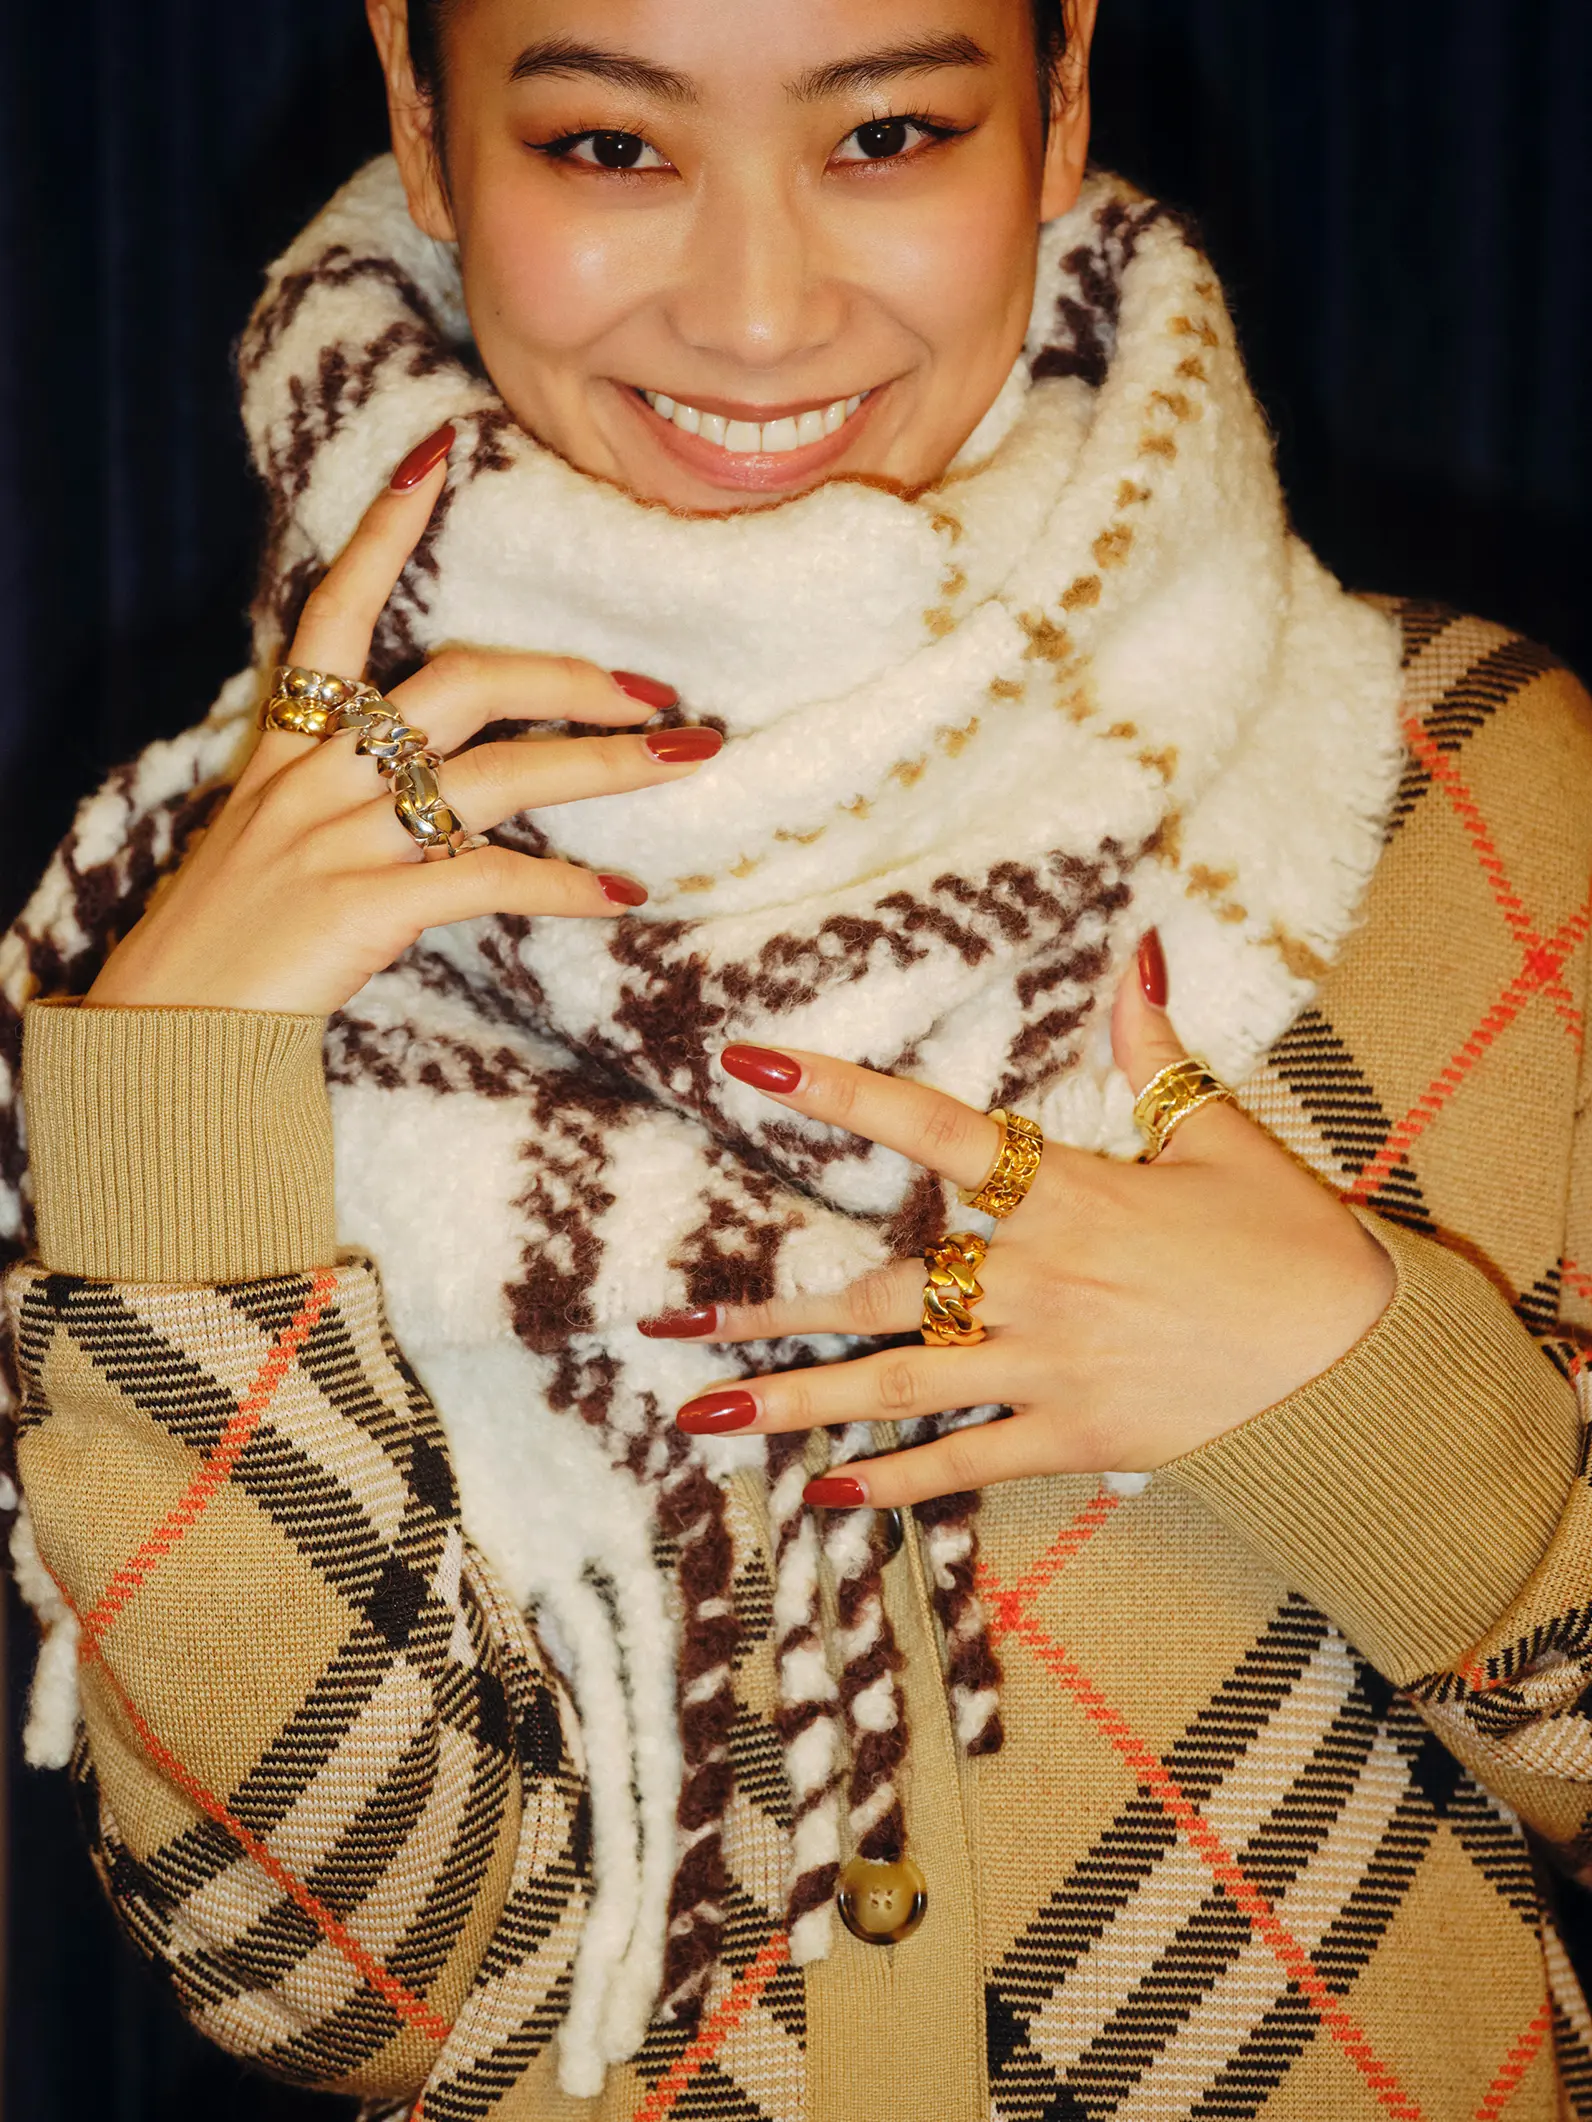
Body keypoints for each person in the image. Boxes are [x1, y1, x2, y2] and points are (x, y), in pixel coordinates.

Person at [3, 0, 1590, 2115]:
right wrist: (182, 1105)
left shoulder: (1462, 792)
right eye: (608, 147)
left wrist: (1359, 1392)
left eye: (888, 133)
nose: (757, 313)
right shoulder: (232, 924)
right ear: (420, 110)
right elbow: (328, 1979)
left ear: (1060, 99)